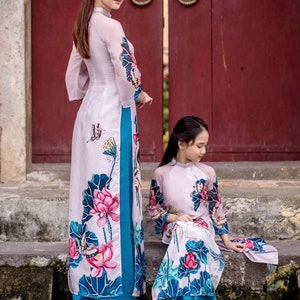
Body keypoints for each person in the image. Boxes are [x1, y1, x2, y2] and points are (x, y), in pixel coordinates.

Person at [65, 0, 152, 299]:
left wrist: (93, 89)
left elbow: (75, 79)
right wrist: (137, 95)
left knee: (89, 193)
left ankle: (88, 282)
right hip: (114, 117)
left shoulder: (84, 25)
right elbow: (127, 76)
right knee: (115, 194)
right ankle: (118, 287)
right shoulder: (111, 25)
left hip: (89, 117)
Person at [148, 116, 278, 300]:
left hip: (202, 227)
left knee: (194, 231)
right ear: (182, 144)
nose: (204, 150)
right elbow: (154, 209)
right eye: (199, 146)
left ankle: (178, 292)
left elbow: (216, 207)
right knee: (184, 229)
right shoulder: (161, 173)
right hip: (175, 228)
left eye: (205, 145)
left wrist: (226, 241)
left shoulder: (207, 172)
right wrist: (175, 218)